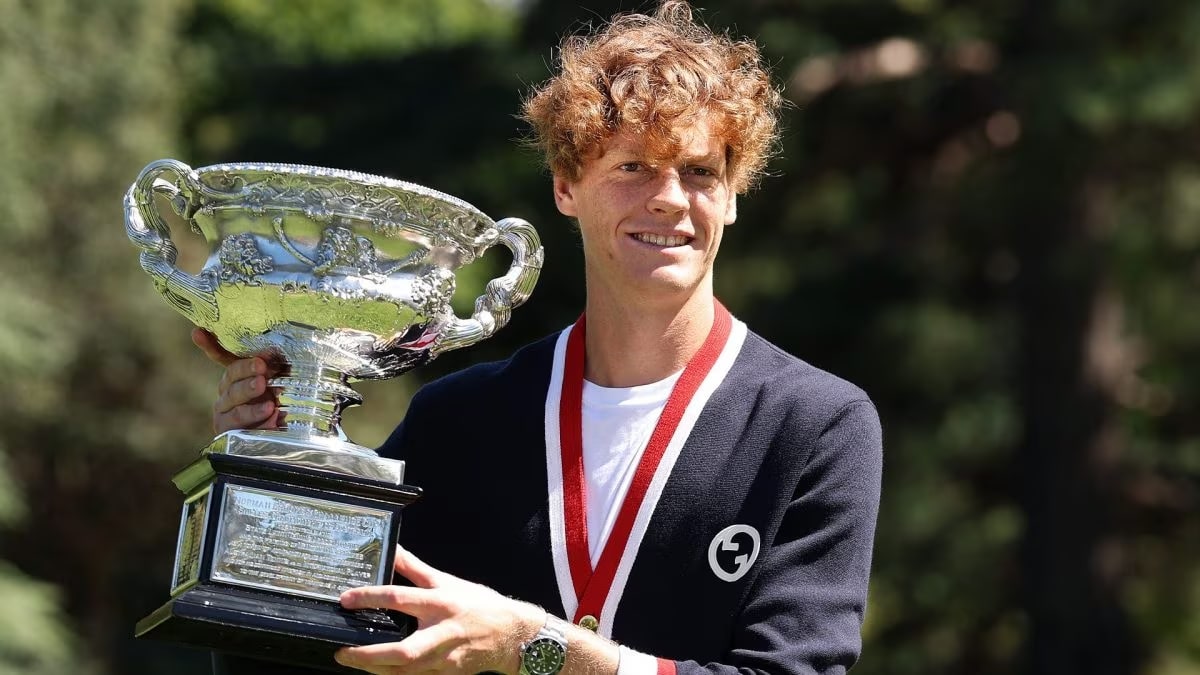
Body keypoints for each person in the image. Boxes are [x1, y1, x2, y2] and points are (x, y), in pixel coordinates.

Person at [196, 2, 883, 673]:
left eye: (700, 171)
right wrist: (271, 478)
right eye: (633, 166)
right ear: (565, 187)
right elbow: (300, 651)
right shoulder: (456, 421)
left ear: (732, 196)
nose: (670, 197)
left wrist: (536, 647)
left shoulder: (814, 425)